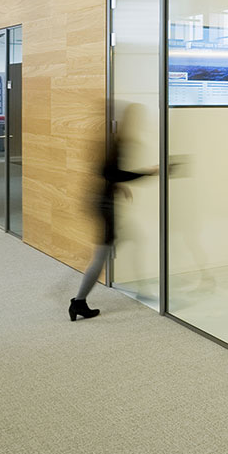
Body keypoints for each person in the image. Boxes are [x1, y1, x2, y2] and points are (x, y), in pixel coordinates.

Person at [69, 106, 156, 321]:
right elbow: (111, 173)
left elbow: (106, 173)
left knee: (136, 239)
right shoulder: (119, 143)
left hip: (102, 201)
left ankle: (142, 288)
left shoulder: (113, 140)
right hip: (105, 206)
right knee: (101, 257)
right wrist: (148, 173)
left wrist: (118, 186)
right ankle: (78, 301)